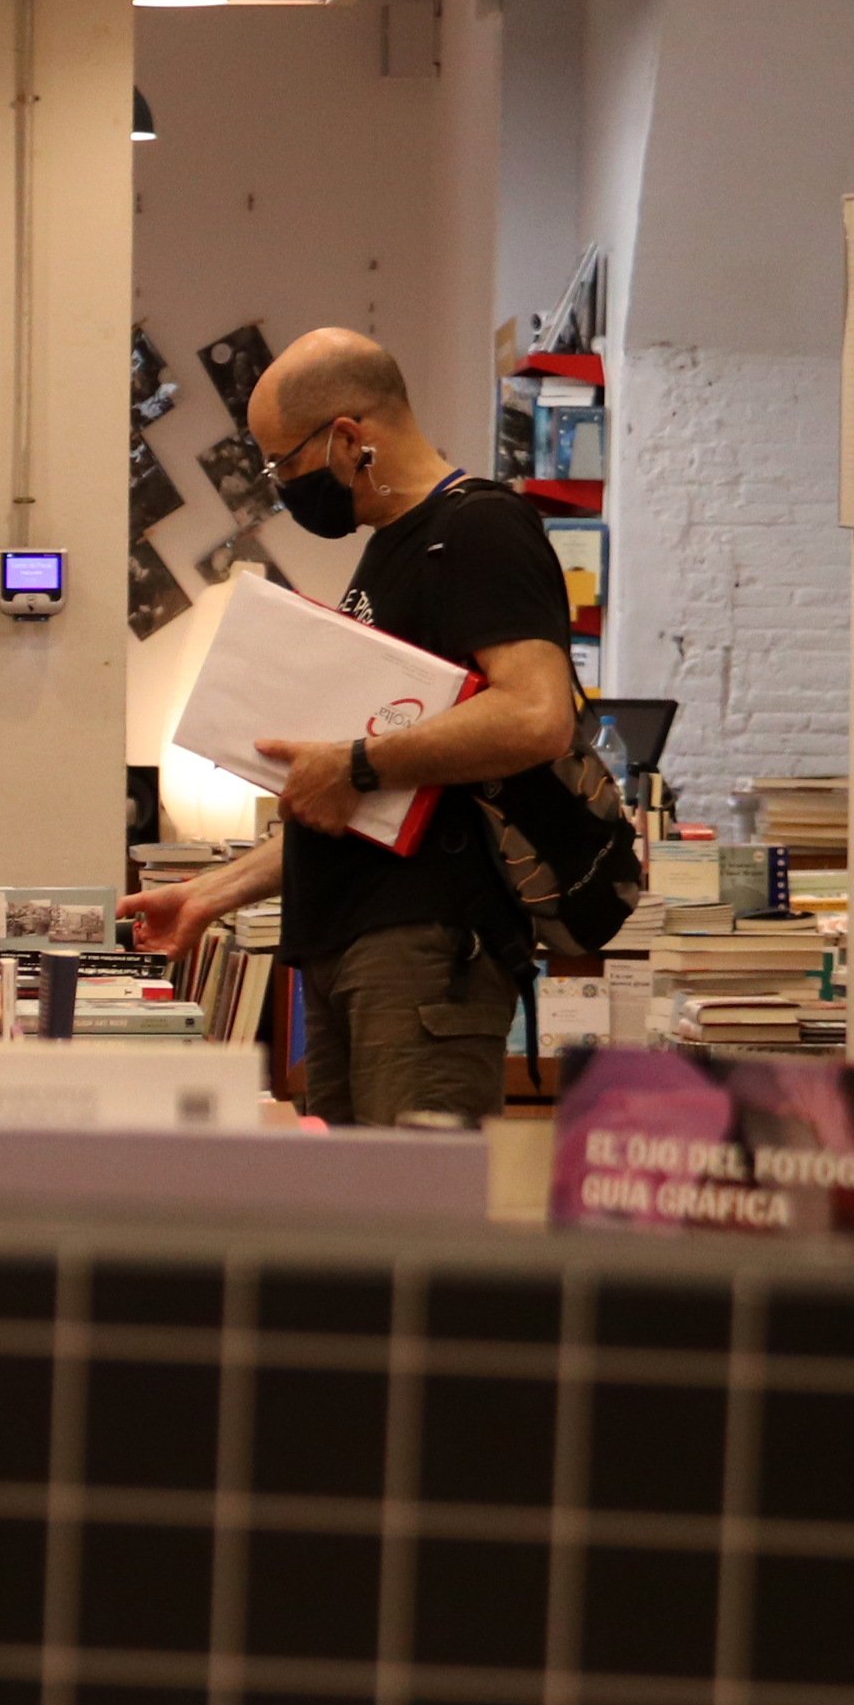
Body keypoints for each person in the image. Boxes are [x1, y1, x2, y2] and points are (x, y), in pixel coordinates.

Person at [119, 329, 579, 1126]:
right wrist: (208, 895)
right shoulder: (390, 551)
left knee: (411, 1225)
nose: (279, 486)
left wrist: (357, 763)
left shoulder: (481, 530)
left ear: (348, 438)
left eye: (283, 463)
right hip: (349, 942)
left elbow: (538, 715)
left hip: (426, 950)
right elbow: (353, 800)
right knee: (345, 1224)